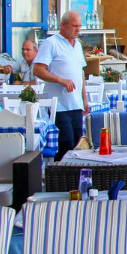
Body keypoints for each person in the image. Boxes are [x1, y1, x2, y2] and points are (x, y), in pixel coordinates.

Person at [33, 10, 90, 159]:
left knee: (78, 143)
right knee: (65, 142)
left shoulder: (78, 45)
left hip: (75, 103)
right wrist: (60, 80)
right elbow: (38, 69)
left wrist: (84, 99)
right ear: (63, 25)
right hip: (59, 104)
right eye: (74, 26)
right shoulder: (51, 43)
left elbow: (80, 73)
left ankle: (74, 176)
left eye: (79, 26)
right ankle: (59, 175)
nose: (78, 29)